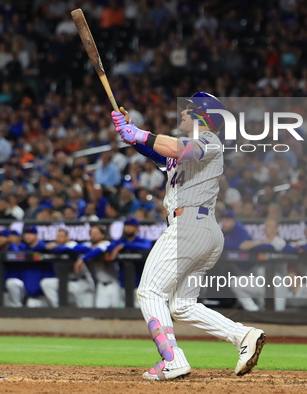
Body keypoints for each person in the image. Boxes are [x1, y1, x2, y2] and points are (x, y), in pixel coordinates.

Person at [111, 92, 265, 380]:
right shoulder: (182, 151)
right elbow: (160, 153)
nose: (181, 114)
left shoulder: (209, 140)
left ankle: (172, 359)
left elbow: (178, 148)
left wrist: (141, 133)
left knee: (149, 291)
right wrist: (133, 135)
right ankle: (244, 335)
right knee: (182, 305)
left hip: (190, 226)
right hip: (201, 230)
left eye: (188, 110)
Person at [41, 229, 94, 308]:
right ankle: (58, 309)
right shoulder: (55, 245)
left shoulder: (72, 244)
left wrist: (60, 247)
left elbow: (86, 248)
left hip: (82, 282)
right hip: (68, 283)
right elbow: (42, 247)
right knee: (46, 283)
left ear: (67, 238)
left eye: (62, 236)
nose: (59, 238)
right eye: (58, 236)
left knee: (86, 315)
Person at [108, 217, 153, 308]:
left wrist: (125, 245)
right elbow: (109, 248)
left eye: (131, 226)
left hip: (139, 285)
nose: (128, 228)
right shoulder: (119, 241)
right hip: (122, 284)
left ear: (137, 228)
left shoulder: (142, 241)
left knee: (139, 311)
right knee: (121, 310)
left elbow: (147, 246)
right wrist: (121, 245)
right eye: (127, 226)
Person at [5, 225, 53, 307]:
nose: (28, 236)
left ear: (36, 235)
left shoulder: (45, 248)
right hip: (28, 293)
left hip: (43, 295)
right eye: (26, 233)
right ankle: (17, 308)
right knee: (12, 283)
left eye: (31, 234)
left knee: (33, 305)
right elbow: (11, 251)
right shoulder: (23, 248)